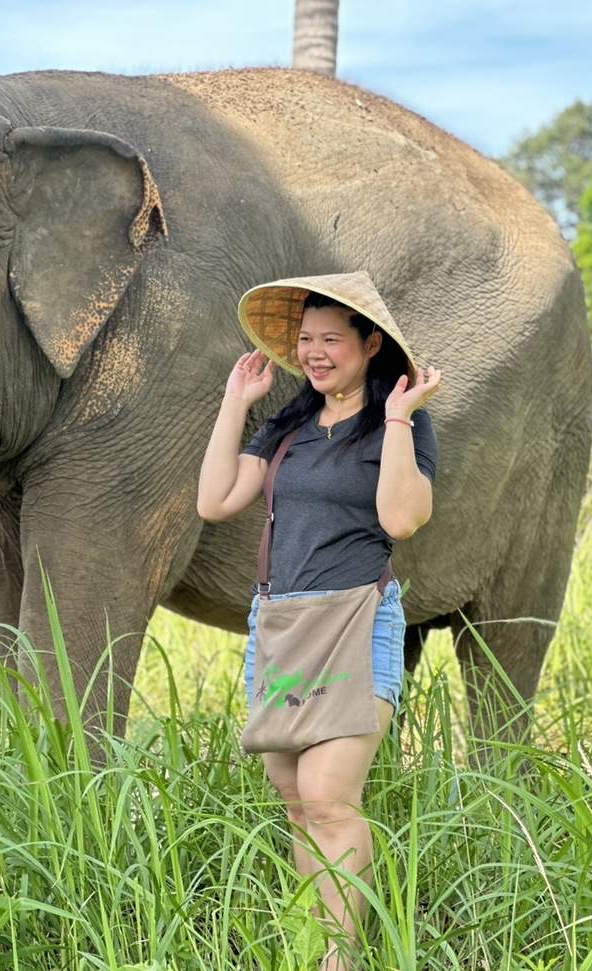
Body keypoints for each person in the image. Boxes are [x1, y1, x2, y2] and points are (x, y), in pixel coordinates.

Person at [196, 272, 441, 971]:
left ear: (369, 344)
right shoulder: (290, 426)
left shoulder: (400, 422)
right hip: (278, 621)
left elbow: (402, 518)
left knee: (329, 796)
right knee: (293, 800)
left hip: (356, 619)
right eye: (305, 339)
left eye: (331, 338)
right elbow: (216, 500)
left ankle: (338, 961)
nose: (314, 352)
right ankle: (312, 949)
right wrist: (234, 403)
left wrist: (398, 417)